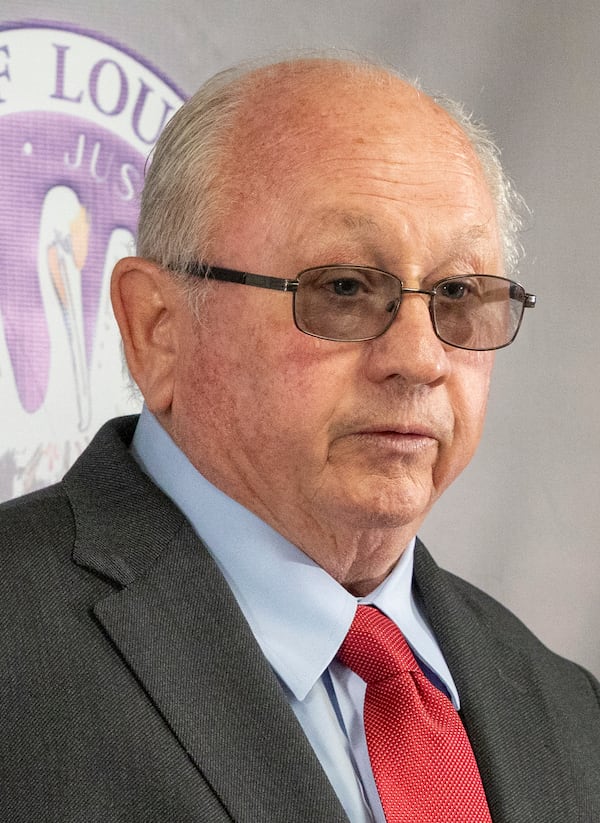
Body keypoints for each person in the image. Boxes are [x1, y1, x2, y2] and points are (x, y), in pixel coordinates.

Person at [0, 55, 598, 822]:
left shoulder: (569, 712)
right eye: (344, 288)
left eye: (457, 294)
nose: (420, 357)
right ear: (157, 329)